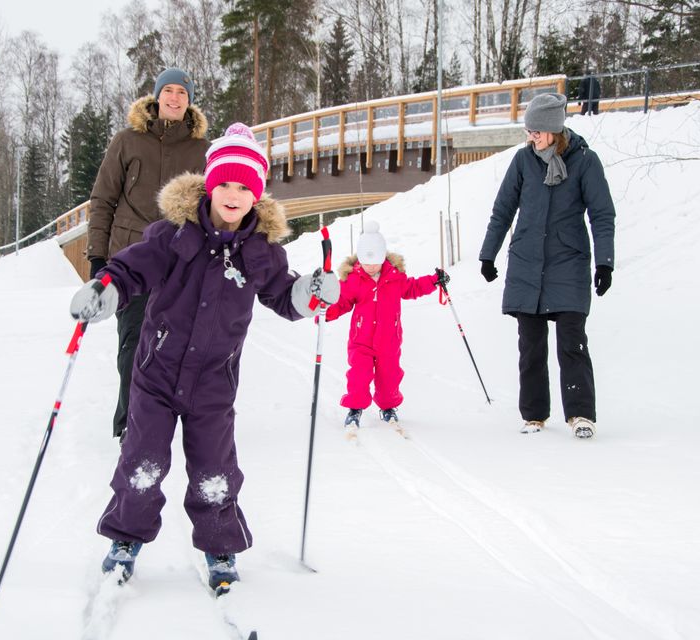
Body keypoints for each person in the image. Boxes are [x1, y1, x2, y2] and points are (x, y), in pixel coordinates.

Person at [69, 123, 340, 592]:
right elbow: (131, 269)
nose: (234, 195)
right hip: (156, 374)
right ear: (210, 185)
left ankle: (220, 545)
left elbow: (283, 295)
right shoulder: (173, 235)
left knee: (215, 470)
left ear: (256, 196)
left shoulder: (261, 252)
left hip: (214, 381)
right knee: (142, 462)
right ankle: (125, 540)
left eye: (245, 187)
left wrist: (311, 293)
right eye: (226, 184)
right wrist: (105, 289)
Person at [479, 93, 615, 439]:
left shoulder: (585, 161)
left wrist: (605, 263)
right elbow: (502, 210)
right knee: (531, 346)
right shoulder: (523, 161)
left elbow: (602, 215)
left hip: (568, 263)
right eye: (529, 131)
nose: (531, 137)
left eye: (536, 131)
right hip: (527, 264)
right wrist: (488, 254)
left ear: (554, 129)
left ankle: (581, 415)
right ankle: (534, 415)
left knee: (572, 343)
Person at [86, 67, 210, 443]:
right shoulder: (127, 141)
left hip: (179, 263)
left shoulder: (202, 150)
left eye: (182, 93)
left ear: (189, 101)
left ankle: (166, 417)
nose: (174, 98)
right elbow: (103, 200)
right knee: (134, 342)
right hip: (130, 259)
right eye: (168, 91)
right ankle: (130, 423)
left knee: (173, 344)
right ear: (157, 96)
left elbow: (213, 208)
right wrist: (97, 257)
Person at [324, 221, 448, 433]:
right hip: (361, 341)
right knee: (358, 376)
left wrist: (434, 280)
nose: (371, 267)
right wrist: (326, 312)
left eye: (375, 262)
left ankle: (388, 407)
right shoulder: (353, 279)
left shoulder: (394, 277)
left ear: (383, 257)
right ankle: (355, 409)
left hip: (389, 341)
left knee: (389, 377)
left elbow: (413, 288)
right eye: (366, 262)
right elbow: (342, 302)